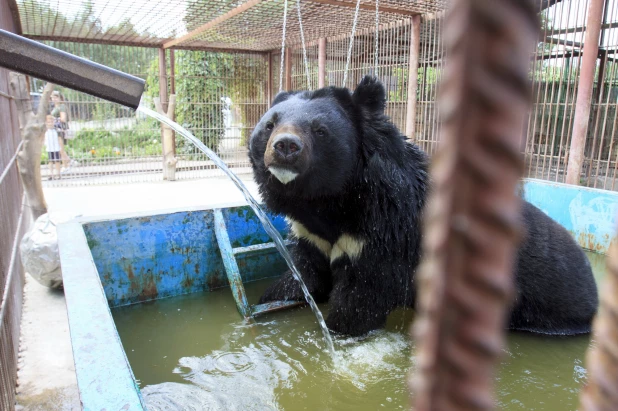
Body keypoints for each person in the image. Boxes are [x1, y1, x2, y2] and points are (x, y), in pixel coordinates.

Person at [50, 91, 71, 169]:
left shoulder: (61, 106)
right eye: (53, 97)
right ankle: (68, 161)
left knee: (60, 148)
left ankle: (66, 166)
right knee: (59, 148)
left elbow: (63, 118)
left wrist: (53, 119)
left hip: (60, 129)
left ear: (60, 98)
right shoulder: (55, 107)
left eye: (56, 97)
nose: (54, 99)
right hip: (55, 129)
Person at [44, 115, 62, 180]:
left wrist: (60, 147)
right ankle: (51, 174)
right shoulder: (45, 131)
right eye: (48, 122)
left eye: (51, 122)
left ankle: (58, 173)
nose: (50, 123)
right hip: (49, 148)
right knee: (50, 161)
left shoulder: (56, 130)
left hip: (56, 148)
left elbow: (59, 139)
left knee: (57, 161)